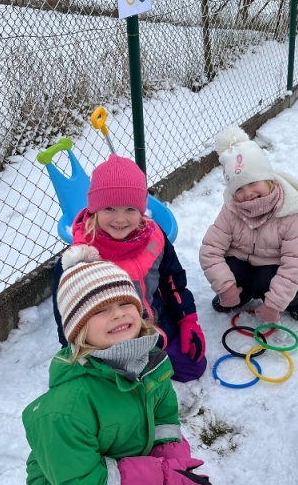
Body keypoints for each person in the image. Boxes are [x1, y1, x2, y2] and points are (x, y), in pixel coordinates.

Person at [24, 245, 215, 485]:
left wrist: (173, 468)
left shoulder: (152, 365)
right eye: (100, 310)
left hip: (122, 454)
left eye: (125, 303)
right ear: (78, 331)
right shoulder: (67, 408)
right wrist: (164, 480)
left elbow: (164, 420)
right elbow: (88, 484)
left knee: (144, 484)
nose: (118, 314)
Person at [51, 154, 207, 383]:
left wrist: (187, 320)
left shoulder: (155, 237)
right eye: (110, 208)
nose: (120, 219)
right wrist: (78, 355)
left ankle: (148, 361)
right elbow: (67, 316)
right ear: (94, 209)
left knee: (191, 366)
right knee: (119, 384)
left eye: (130, 209)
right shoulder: (81, 259)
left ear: (142, 209)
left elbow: (172, 280)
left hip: (155, 319)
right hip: (111, 332)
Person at [199, 126, 298, 324]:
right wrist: (226, 287)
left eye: (253, 183)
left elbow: (294, 262)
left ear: (267, 179)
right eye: (239, 188)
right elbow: (210, 250)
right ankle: (240, 294)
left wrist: (275, 304)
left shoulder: (289, 214)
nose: (248, 193)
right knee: (232, 268)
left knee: (266, 280)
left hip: (272, 269)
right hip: (242, 265)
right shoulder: (231, 210)